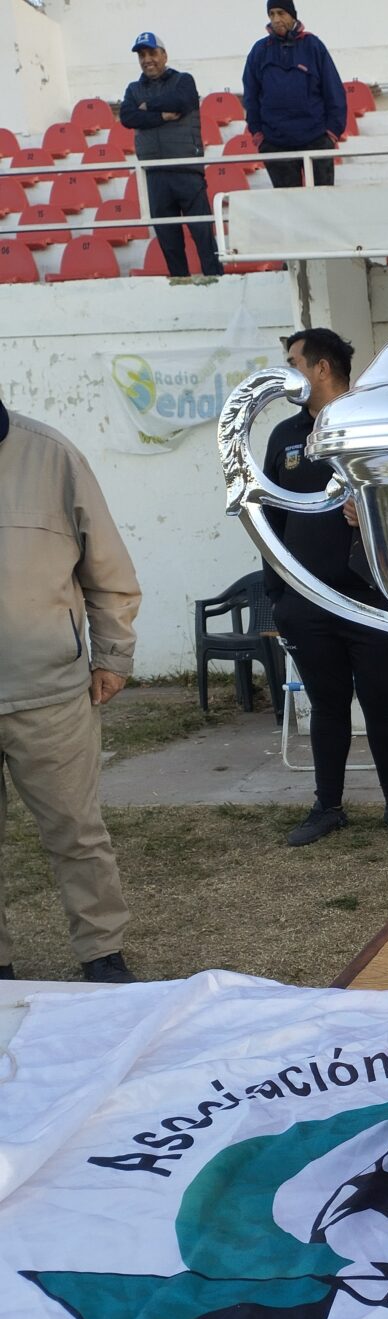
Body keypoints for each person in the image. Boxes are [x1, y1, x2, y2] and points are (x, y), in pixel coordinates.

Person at [262, 328, 388, 847]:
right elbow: (267, 518)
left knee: (382, 704)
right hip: (307, 603)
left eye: (294, 362)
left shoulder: (375, 428)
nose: (288, 371)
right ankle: (327, 806)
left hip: (371, 600)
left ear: (321, 369)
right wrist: (280, 599)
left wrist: (374, 515)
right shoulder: (284, 437)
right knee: (327, 707)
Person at [0, 399, 141, 982]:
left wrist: (112, 655)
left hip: (49, 691)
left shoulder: (53, 456)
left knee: (77, 832)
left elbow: (108, 572)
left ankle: (102, 952)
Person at [119, 31, 224, 279]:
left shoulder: (184, 80)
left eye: (152, 53)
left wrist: (148, 108)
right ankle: (180, 285)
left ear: (164, 55)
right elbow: (128, 117)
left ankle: (218, 284)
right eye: (142, 55)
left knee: (202, 235)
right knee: (168, 240)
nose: (147, 60)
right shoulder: (133, 89)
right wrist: (161, 115)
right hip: (155, 175)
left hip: (186, 170)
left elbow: (182, 101)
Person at [243, 3, 347, 189]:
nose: (276, 19)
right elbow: (250, 96)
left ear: (292, 15)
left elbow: (333, 90)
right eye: (271, 14)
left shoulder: (313, 45)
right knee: (289, 210)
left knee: (323, 205)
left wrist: (331, 134)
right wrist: (259, 136)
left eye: (281, 13)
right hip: (275, 143)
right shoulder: (259, 50)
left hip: (316, 139)